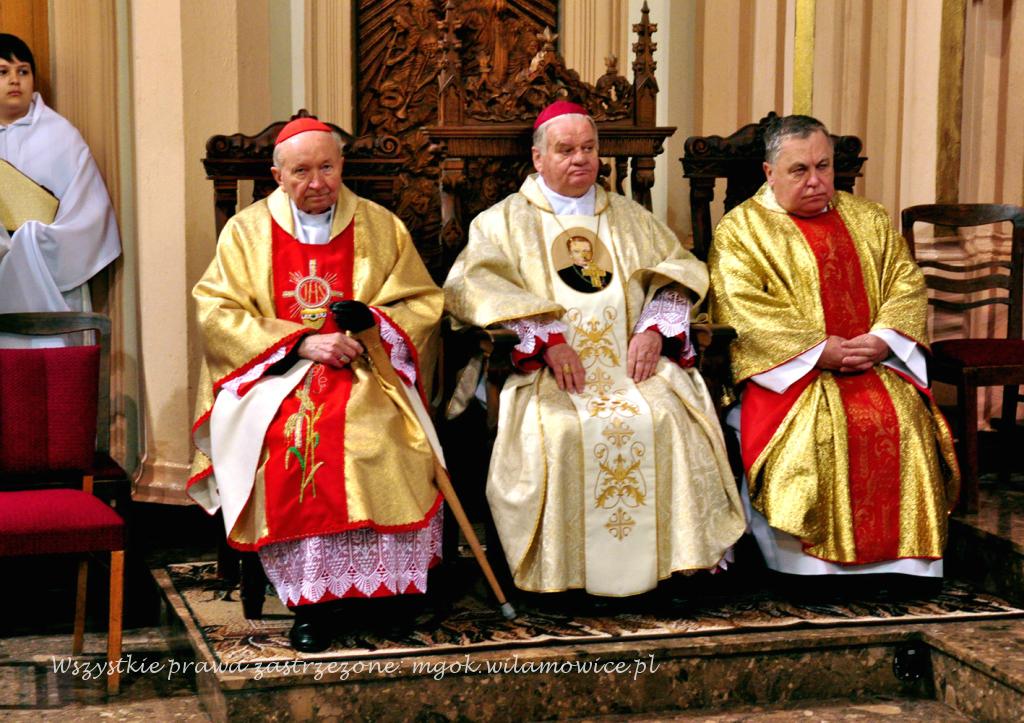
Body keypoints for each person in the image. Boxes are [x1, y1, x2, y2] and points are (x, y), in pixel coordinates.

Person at [444, 100, 746, 597]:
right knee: (559, 432)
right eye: (566, 150)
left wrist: (654, 327)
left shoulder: (629, 216)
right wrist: (545, 338)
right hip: (545, 371)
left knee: (673, 418)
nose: (581, 159)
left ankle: (675, 568)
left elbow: (680, 268)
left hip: (632, 365)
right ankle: (565, 575)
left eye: (589, 148)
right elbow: (472, 285)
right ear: (538, 158)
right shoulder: (502, 222)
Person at [189, 117, 444, 652]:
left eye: (327, 167)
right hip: (276, 379)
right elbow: (217, 314)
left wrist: (374, 324)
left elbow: (421, 302)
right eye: (301, 171)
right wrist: (300, 343)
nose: (317, 182)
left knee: (386, 439)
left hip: (367, 370)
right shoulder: (246, 233)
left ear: (341, 165)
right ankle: (313, 604)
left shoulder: (380, 226)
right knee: (298, 441)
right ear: (277, 176)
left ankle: (389, 595)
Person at [708, 114, 960, 585]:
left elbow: (905, 284)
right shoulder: (741, 230)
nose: (815, 181)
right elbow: (741, 308)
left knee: (903, 418)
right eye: (799, 170)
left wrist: (882, 339)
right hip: (790, 373)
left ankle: (904, 565)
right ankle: (808, 567)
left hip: (873, 363)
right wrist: (816, 350)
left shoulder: (869, 218)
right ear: (769, 173)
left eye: (823, 166)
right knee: (820, 432)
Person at [0, 34, 120, 342]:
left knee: (56, 364)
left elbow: (89, 213)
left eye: (23, 71)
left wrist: (34, 241)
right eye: (3, 72)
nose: (14, 80)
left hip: (51, 274)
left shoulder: (61, 136)